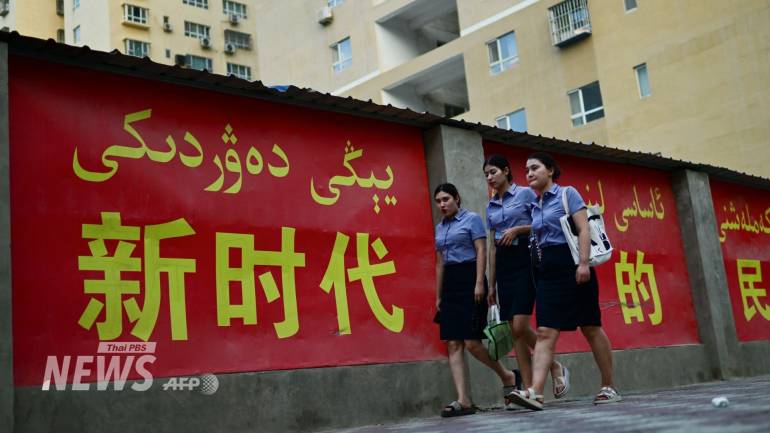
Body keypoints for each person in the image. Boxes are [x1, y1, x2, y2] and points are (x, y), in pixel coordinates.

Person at [507, 152, 621, 411]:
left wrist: (582, 264)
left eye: (535, 168)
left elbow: (582, 229)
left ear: (550, 170)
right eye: (526, 170)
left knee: (590, 326)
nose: (529, 174)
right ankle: (536, 392)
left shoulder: (567, 194)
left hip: (574, 266)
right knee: (546, 331)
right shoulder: (535, 206)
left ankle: (608, 386)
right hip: (548, 270)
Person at [483, 155, 570, 406]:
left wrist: (517, 230)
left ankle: (555, 365)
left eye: (493, 172)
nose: (489, 177)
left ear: (506, 171)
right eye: (486, 174)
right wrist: (491, 283)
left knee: (520, 325)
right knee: (514, 331)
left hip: (525, 258)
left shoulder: (524, 194)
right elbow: (491, 246)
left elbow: (542, 221)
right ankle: (530, 391)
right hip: (504, 263)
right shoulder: (491, 205)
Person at [433, 183, 521, 417]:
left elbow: (481, 250)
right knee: (452, 343)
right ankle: (463, 400)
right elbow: (440, 261)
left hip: (470, 277)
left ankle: (508, 376)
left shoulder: (471, 220)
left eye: (446, 199)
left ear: (457, 198)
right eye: (439, 201)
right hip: (450, 282)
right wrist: (438, 295)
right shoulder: (439, 228)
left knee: (472, 342)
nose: (442, 204)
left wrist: (480, 283)